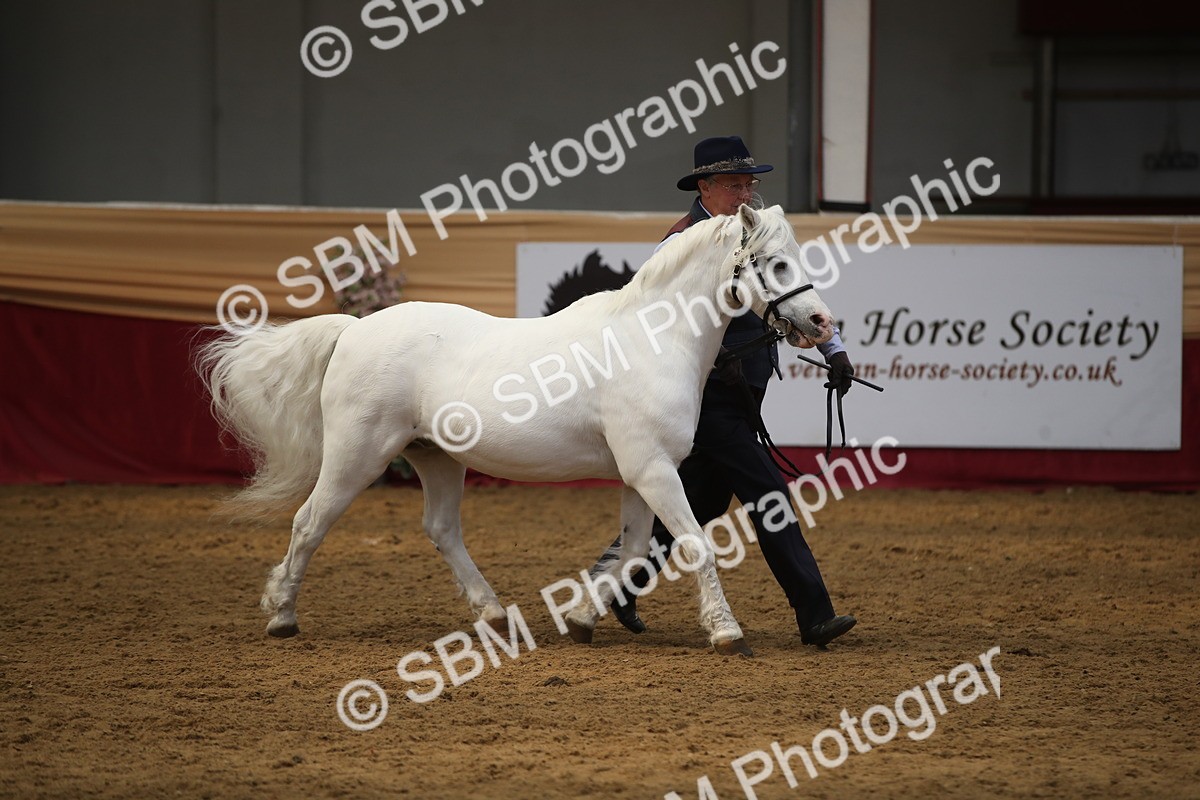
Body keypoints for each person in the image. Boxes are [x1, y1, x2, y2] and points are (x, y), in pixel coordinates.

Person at [597, 135, 857, 648]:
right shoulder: (679, 242)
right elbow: (657, 326)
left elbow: (793, 290)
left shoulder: (757, 233)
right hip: (705, 401)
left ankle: (613, 587)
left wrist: (834, 350)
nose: (746, 194)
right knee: (771, 499)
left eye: (750, 184)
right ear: (705, 187)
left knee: (695, 503)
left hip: (745, 393)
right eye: (735, 185)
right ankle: (815, 614)